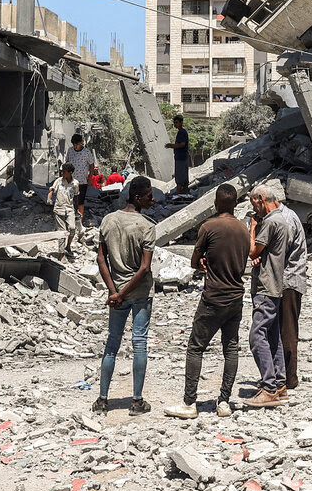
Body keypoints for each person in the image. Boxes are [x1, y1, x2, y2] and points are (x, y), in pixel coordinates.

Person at [164, 183, 250, 420]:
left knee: (196, 347)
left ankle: (190, 403)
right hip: (236, 296)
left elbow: (194, 261)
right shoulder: (244, 229)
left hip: (213, 297)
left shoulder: (209, 227)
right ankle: (224, 401)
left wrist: (204, 262)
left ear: (216, 203)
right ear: (234, 203)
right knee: (230, 348)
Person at [92, 175, 156, 415]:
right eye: (149, 196)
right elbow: (144, 268)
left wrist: (114, 292)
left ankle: (102, 400)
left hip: (116, 292)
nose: (153, 200)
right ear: (138, 197)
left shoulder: (109, 221)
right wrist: (122, 293)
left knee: (112, 344)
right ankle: (137, 401)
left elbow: (101, 257)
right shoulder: (147, 227)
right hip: (139, 293)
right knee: (139, 343)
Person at [245, 183, 290, 407]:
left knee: (257, 336)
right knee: (273, 336)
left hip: (265, 284)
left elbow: (253, 250)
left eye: (255, 204)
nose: (256, 210)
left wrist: (252, 228)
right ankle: (280, 383)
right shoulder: (283, 220)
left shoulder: (270, 222)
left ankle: (268, 386)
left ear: (261, 199)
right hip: (276, 284)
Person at [280, 204, 308, 390]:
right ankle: (285, 376)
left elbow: (279, 253)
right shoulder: (288, 217)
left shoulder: (285, 221)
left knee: (288, 331)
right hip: (290, 281)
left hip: (288, 282)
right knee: (286, 330)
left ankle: (289, 378)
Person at [64, 133, 98, 234]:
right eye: (74, 144)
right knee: (70, 200)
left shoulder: (87, 152)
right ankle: (70, 220)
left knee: (80, 202)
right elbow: (67, 163)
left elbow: (91, 166)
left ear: (81, 143)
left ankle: (79, 221)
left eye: (77, 144)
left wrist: (90, 178)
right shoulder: (70, 151)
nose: (75, 146)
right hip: (71, 181)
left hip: (82, 182)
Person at [47, 162, 77, 257]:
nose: (62, 173)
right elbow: (52, 190)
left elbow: (76, 196)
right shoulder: (59, 181)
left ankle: (68, 246)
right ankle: (61, 254)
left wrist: (78, 209)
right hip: (59, 209)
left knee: (72, 228)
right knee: (62, 231)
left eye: (64, 172)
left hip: (70, 209)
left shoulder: (75, 183)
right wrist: (49, 198)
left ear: (70, 172)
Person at [165, 115, 191, 192]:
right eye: (174, 123)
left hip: (181, 157)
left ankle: (178, 192)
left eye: (176, 122)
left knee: (179, 175)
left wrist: (171, 146)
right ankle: (185, 191)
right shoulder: (182, 132)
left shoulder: (182, 132)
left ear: (181, 123)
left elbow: (182, 144)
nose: (175, 124)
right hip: (183, 157)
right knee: (184, 174)